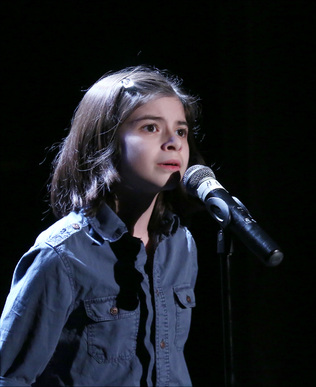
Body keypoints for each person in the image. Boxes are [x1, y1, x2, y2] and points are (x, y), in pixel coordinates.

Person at [0, 65, 204, 386]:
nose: (173, 143)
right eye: (151, 128)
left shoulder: (180, 244)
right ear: (104, 141)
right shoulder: (62, 255)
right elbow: (10, 376)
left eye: (180, 131)